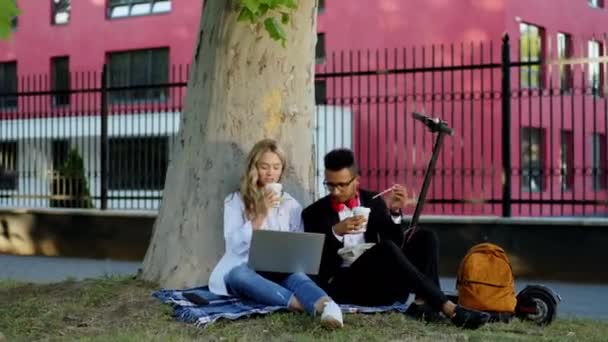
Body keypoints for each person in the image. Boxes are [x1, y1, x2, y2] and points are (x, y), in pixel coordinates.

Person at [302, 148, 490, 329]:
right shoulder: (313, 213)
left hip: (381, 281)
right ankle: (448, 308)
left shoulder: (372, 200)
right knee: (385, 248)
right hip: (348, 285)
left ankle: (423, 304)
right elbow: (318, 268)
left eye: (341, 185)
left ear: (356, 181)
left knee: (426, 237)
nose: (335, 191)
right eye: (330, 185)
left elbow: (395, 243)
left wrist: (394, 212)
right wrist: (335, 232)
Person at [208, 139, 343, 329]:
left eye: (276, 167)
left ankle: (330, 307)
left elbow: (298, 244)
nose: (271, 173)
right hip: (246, 267)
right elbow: (233, 245)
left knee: (297, 277)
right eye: (264, 166)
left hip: (280, 268)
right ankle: (303, 307)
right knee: (237, 275)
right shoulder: (234, 201)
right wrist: (260, 214)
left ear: (282, 170)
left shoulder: (291, 204)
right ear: (254, 167)